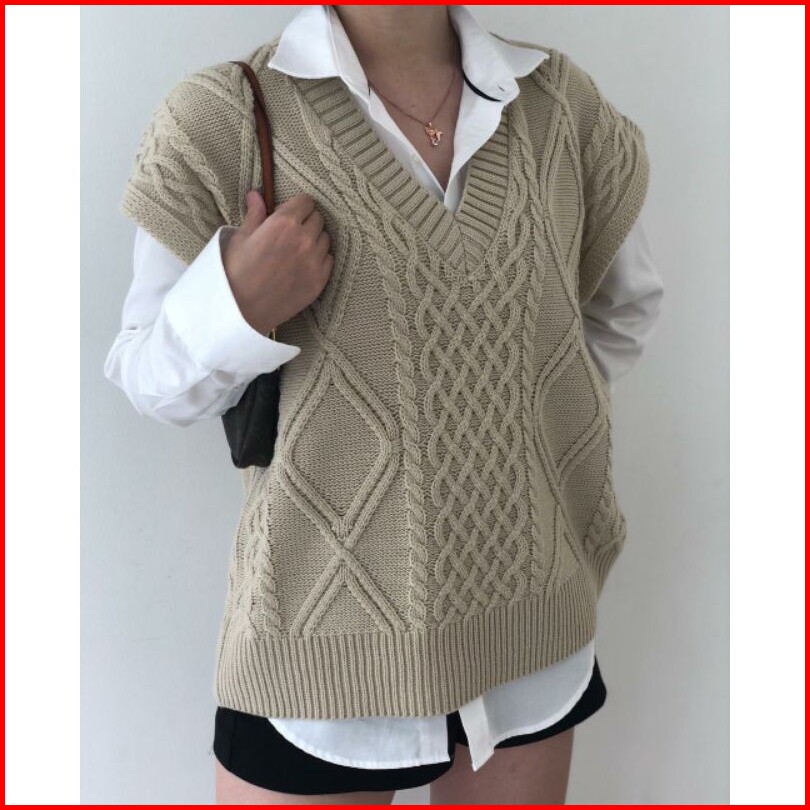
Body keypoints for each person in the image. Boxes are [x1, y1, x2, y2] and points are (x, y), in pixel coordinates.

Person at [105, 4, 662, 804]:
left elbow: (617, 313)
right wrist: (238, 304)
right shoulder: (222, 119)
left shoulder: (560, 106)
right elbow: (146, 377)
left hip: (531, 630)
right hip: (320, 651)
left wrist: (510, 425)